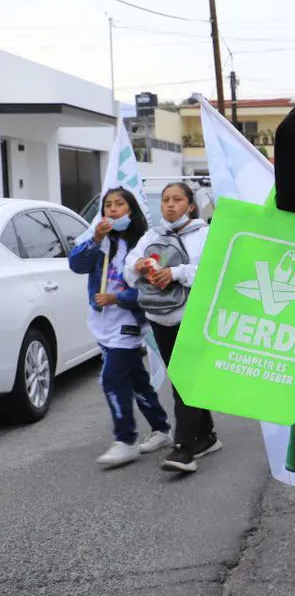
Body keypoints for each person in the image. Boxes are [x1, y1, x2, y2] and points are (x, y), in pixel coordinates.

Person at [68, 187, 172, 467]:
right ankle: (161, 428)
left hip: (127, 322)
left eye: (119, 204)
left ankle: (125, 440)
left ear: (131, 210)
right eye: (108, 205)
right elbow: (76, 264)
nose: (112, 210)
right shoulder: (99, 240)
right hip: (102, 321)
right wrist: (95, 238)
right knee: (137, 380)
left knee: (112, 378)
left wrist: (118, 297)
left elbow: (150, 289)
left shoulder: (142, 245)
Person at [124, 182, 218, 474]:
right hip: (160, 317)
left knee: (184, 380)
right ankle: (207, 436)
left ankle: (184, 448)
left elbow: (213, 270)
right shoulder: (152, 235)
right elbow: (128, 268)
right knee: (181, 378)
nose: (170, 205)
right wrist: (138, 264)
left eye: (177, 199)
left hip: (193, 316)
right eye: (165, 200)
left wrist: (175, 272)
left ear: (190, 205)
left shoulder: (205, 235)